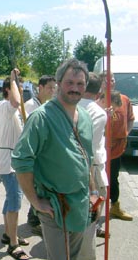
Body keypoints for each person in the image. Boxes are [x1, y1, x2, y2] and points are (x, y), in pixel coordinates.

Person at [12, 58, 94, 260]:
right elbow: (21, 161)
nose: (75, 88)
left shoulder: (84, 116)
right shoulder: (41, 117)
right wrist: (35, 201)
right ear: (58, 84)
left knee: (74, 257)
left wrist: (92, 191)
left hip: (81, 203)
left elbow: (87, 159)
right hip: (55, 207)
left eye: (80, 84)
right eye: (70, 83)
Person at [77, 73, 118, 259]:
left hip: (73, 164)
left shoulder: (70, 106)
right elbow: (90, 144)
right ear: (99, 90)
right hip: (91, 167)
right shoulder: (98, 112)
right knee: (90, 218)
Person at [0, 68, 29, 260]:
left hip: (15, 159)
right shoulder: (4, 106)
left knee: (11, 198)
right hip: (7, 160)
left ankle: (8, 233)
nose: (22, 91)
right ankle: (13, 244)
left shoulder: (14, 110)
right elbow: (15, 101)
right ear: (8, 89)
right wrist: (13, 78)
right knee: (15, 200)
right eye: (19, 87)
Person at [99, 72, 135, 221]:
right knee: (98, 179)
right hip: (100, 148)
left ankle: (115, 206)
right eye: (106, 81)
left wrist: (126, 132)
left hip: (117, 148)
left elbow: (130, 119)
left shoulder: (124, 99)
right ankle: (94, 210)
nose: (110, 83)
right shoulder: (97, 100)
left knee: (113, 177)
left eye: (112, 80)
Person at [24, 75, 56, 235]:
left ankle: (35, 217)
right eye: (49, 87)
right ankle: (34, 219)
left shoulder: (47, 105)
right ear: (40, 88)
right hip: (33, 153)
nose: (52, 91)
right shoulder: (30, 106)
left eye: (54, 87)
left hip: (43, 153)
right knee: (36, 186)